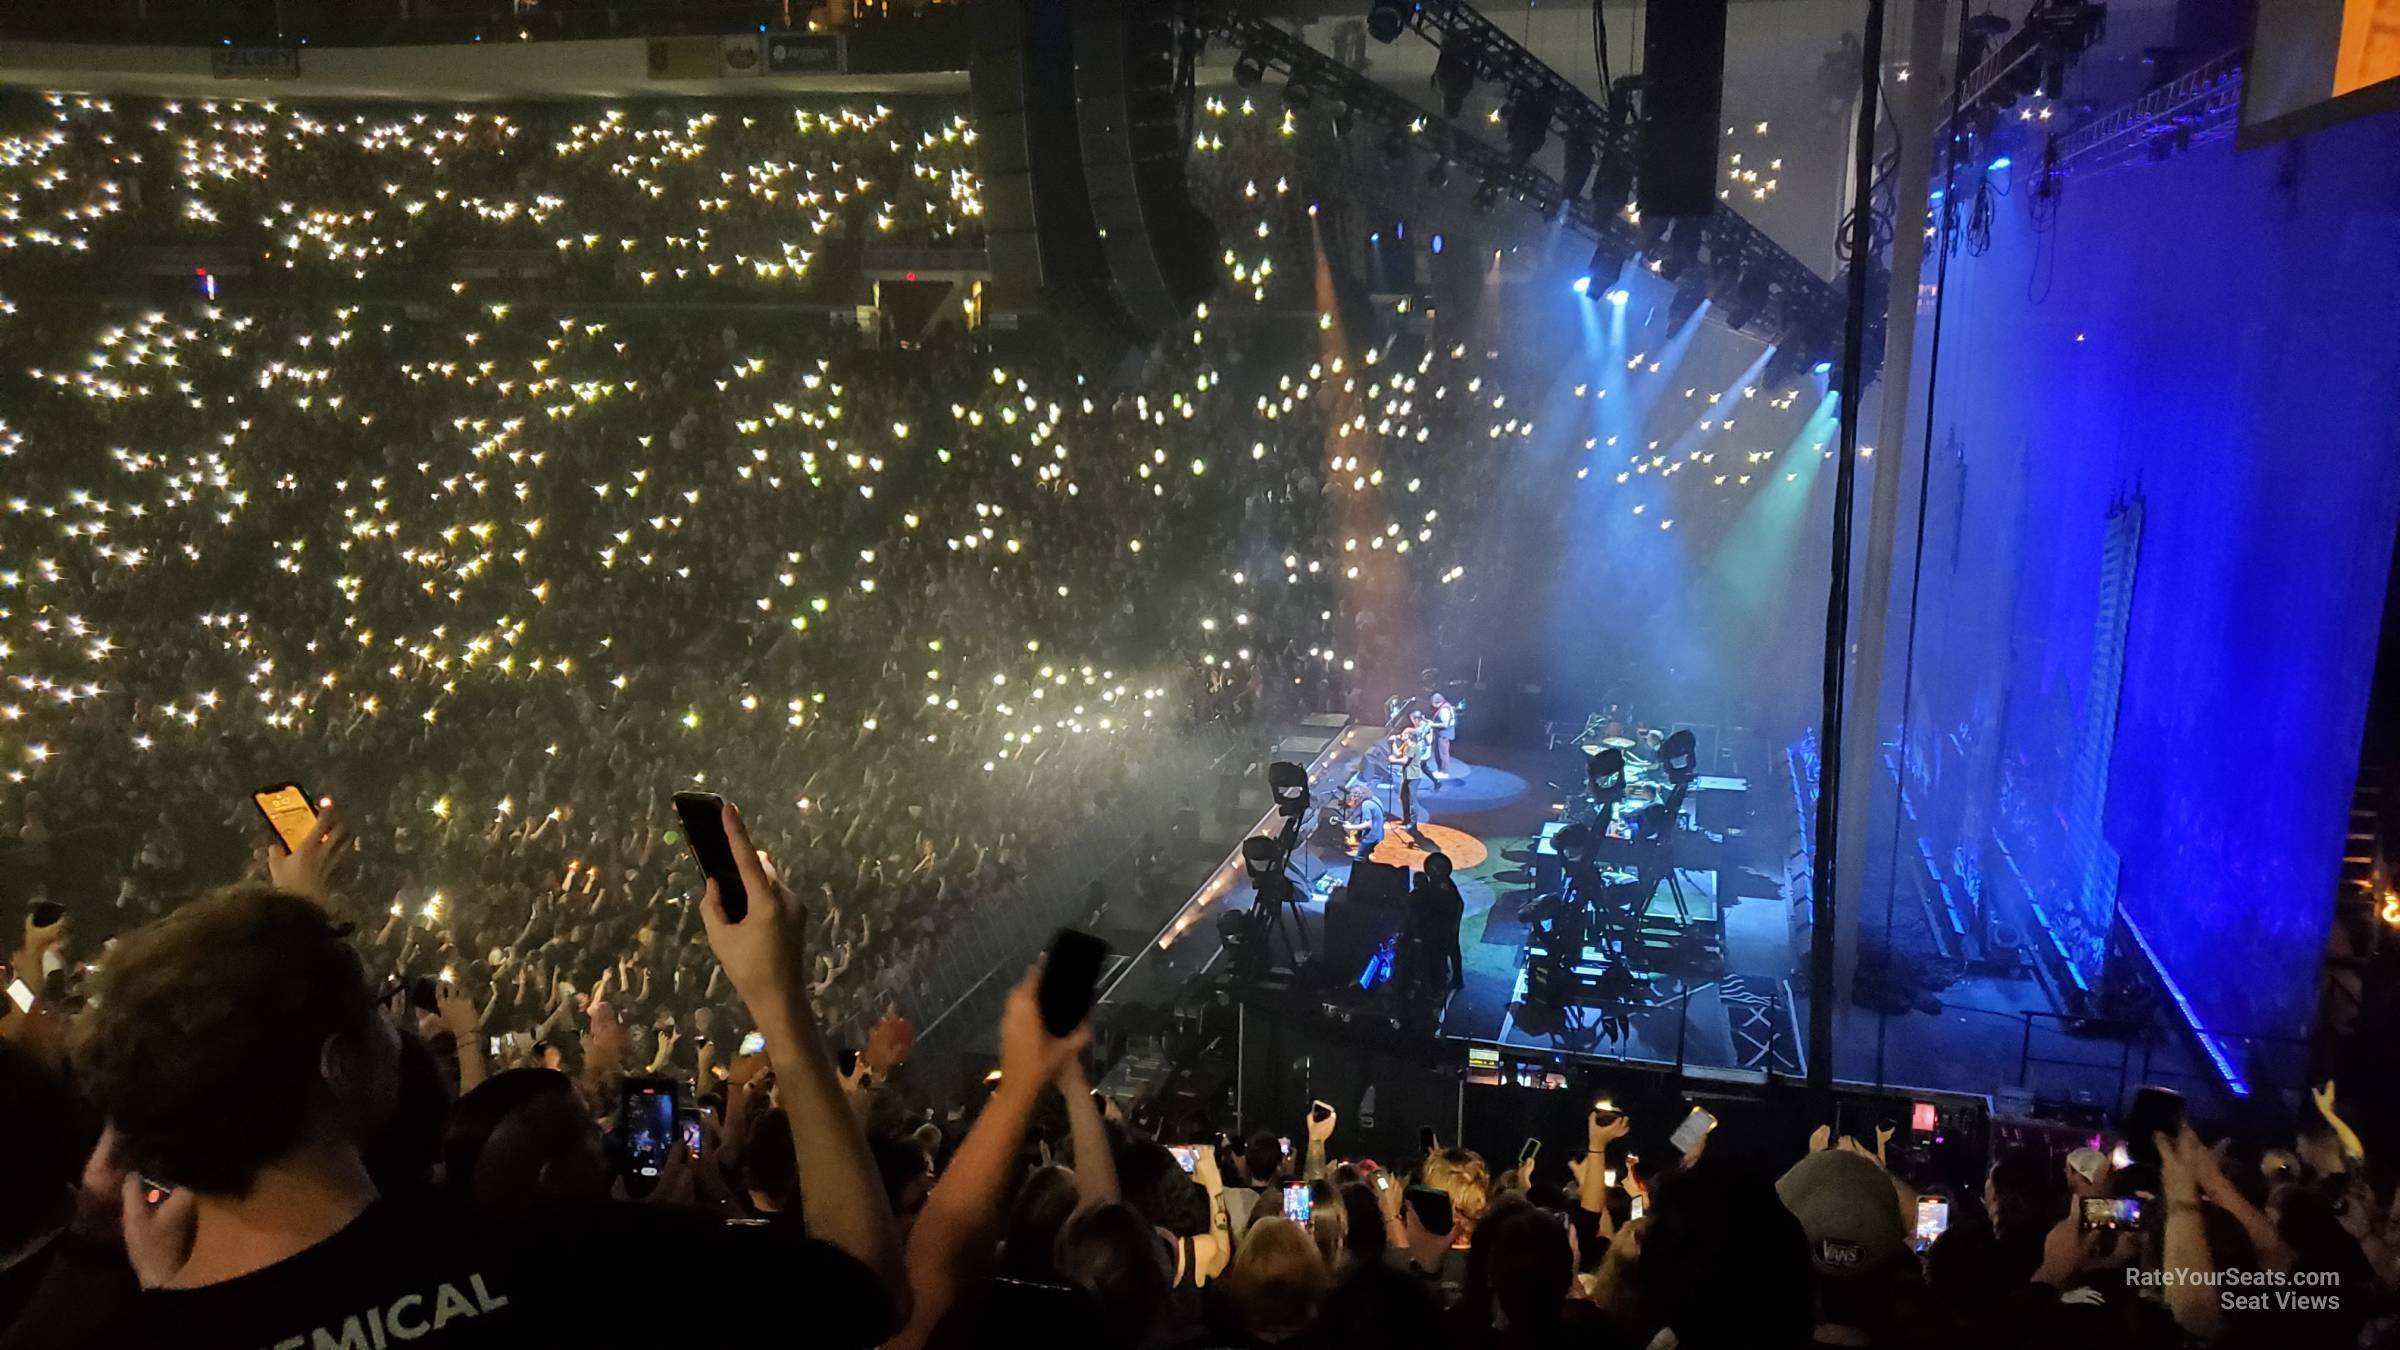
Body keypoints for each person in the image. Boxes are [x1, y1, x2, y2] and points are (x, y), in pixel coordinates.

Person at [54, 798, 903, 1350]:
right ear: (336, 1066)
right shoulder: (560, 1266)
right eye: (378, 1006)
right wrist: (781, 1003)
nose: (399, 1020)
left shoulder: (133, 1329)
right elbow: (862, 1286)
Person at [1405, 853, 1466, 995]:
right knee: (1452, 948)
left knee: (1445, 949)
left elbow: (1440, 904)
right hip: (1448, 920)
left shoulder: (1441, 885)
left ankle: (1449, 980)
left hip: (1447, 921)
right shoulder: (1444, 883)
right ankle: (1453, 976)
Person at [1426, 692, 1458, 781]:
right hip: (1441, 734)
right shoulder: (1445, 706)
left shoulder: (1444, 710)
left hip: (1444, 734)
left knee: (1443, 753)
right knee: (1438, 752)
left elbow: (1445, 724)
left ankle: (1444, 772)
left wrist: (1432, 725)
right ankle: (1440, 770)